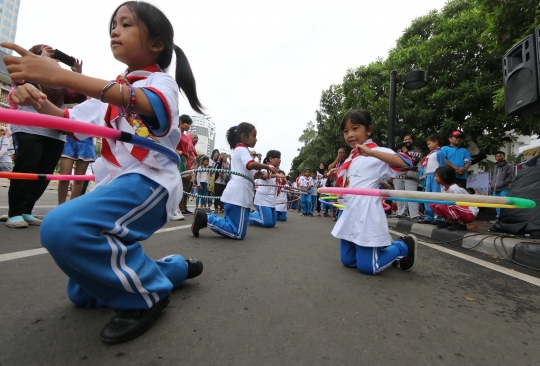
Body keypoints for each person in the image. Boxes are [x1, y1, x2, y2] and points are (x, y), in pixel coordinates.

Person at [2, 1, 205, 344]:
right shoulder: (111, 89)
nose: (114, 30)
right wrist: (34, 96)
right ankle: (173, 268)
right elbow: (69, 122)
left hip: (149, 181)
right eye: (113, 24)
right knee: (82, 293)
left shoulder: (160, 82)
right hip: (116, 182)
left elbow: (147, 104)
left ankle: (149, 295)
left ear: (156, 43)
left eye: (126, 24)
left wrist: (62, 75)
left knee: (61, 227)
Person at [5, 44, 87, 228]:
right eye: (46, 52)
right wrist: (40, 59)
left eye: (53, 53)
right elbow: (18, 79)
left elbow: (78, 96)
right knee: (27, 168)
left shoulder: (58, 79)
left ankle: (27, 210)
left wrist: (77, 73)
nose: (53, 57)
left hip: (55, 132)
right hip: (29, 128)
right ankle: (15, 212)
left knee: (44, 173)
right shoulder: (28, 70)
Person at [327, 109, 417, 275]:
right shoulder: (350, 157)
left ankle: (402, 246)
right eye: (346, 131)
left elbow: (406, 163)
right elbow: (350, 184)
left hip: (366, 213)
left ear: (369, 129)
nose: (350, 135)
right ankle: (381, 251)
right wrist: (334, 179)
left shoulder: (376, 152)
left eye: (355, 128)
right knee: (348, 261)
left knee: (368, 267)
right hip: (350, 212)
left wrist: (373, 153)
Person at [191, 123, 276, 239]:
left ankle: (206, 217)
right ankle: (206, 218)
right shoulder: (242, 150)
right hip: (238, 195)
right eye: (254, 135)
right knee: (237, 232)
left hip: (238, 195)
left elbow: (245, 172)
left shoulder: (240, 150)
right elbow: (250, 164)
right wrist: (266, 166)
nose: (256, 139)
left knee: (237, 229)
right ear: (243, 136)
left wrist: (256, 176)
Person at [429, 166, 479, 231]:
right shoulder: (443, 188)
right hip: (460, 210)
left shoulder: (454, 189)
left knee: (446, 203)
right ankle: (450, 221)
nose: (435, 178)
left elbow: (461, 204)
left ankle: (461, 224)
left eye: (436, 176)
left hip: (469, 213)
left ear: (444, 176)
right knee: (433, 204)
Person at [249, 150, 285, 228]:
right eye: (278, 158)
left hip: (271, 200)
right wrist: (277, 175)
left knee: (272, 223)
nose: (280, 160)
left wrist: (284, 181)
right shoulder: (265, 167)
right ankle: (247, 216)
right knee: (267, 223)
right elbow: (263, 176)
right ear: (271, 158)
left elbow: (279, 185)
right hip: (263, 199)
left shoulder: (276, 171)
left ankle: (256, 215)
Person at [57, 135, 96, 205]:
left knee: (79, 180)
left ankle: (71, 208)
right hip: (69, 138)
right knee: (64, 178)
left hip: (86, 141)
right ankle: (60, 207)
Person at [393, 134, 423, 220]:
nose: (406, 141)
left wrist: (406, 153)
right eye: (405, 139)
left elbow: (413, 161)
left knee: (411, 195)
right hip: (398, 176)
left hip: (411, 176)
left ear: (412, 141)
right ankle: (401, 212)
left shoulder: (417, 150)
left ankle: (414, 214)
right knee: (399, 195)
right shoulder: (398, 151)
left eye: (409, 139)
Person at [418, 134, 446, 224]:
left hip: (436, 176)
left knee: (436, 197)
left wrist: (441, 177)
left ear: (436, 142)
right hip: (429, 176)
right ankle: (428, 217)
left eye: (429, 144)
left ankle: (438, 217)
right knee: (427, 197)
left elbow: (442, 166)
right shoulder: (430, 154)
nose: (428, 146)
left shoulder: (439, 153)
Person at [174, 114, 193, 219]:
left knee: (181, 186)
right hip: (175, 159)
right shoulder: (174, 132)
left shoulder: (185, 136)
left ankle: (177, 208)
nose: (189, 126)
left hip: (184, 161)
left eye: (190, 124)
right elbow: (168, 144)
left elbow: (187, 154)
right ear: (181, 122)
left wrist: (189, 169)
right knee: (176, 184)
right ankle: (175, 208)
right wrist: (177, 151)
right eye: (187, 123)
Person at [490, 151, 515, 222]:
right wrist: (493, 184)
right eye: (497, 156)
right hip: (495, 188)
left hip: (504, 188)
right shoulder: (495, 166)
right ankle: (498, 218)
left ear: (504, 157)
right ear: (495, 157)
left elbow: (511, 177)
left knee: (503, 204)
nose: (498, 157)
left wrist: (502, 183)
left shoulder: (509, 166)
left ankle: (503, 219)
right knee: (496, 204)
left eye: (500, 156)